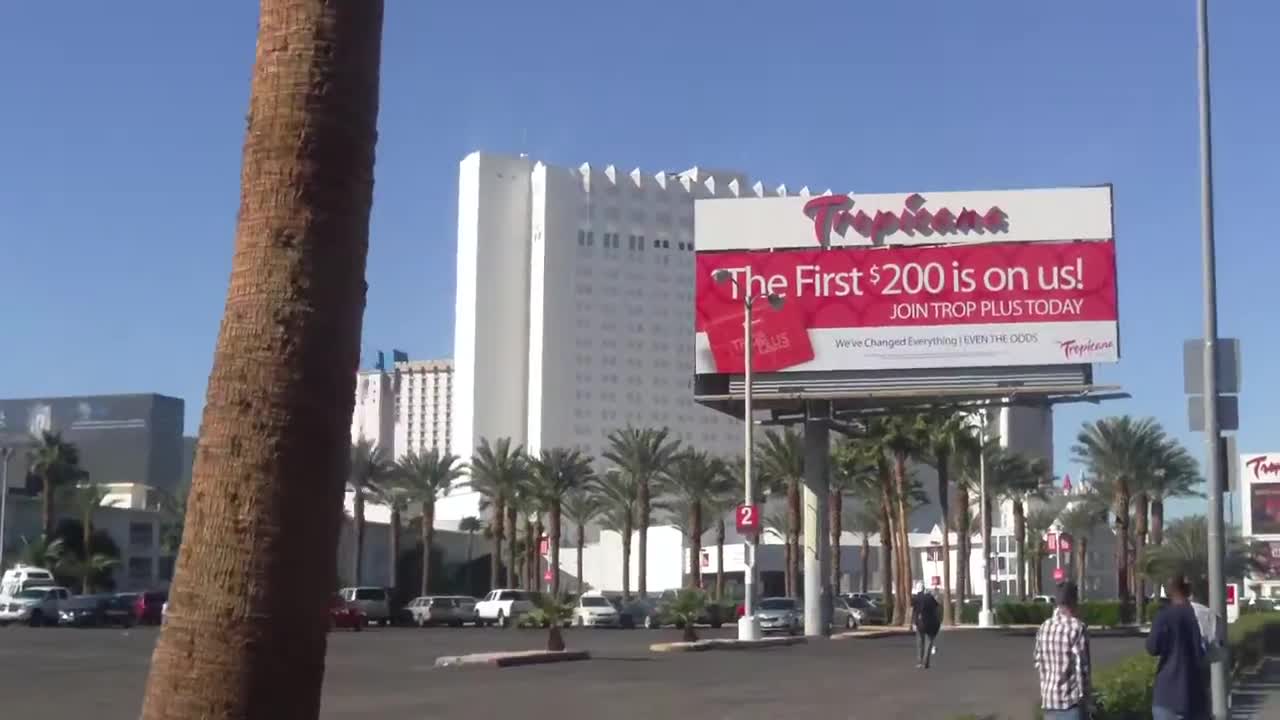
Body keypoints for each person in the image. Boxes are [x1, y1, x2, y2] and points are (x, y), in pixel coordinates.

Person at [1146, 577, 1208, 720]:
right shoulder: (1201, 614)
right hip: (1195, 694)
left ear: (1169, 591)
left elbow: (1152, 648)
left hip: (1167, 695)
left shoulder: (1164, 616)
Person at [1034, 581, 1092, 719]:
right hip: (1070, 705)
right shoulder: (1077, 628)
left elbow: (1038, 662)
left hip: (1049, 703)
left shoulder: (1044, 627)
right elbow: (1082, 669)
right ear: (1073, 601)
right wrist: (1088, 701)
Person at [910, 584, 941, 669]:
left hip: (920, 623)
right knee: (929, 642)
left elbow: (913, 611)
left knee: (920, 642)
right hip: (931, 623)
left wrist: (913, 623)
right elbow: (937, 609)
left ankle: (919, 662)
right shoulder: (930, 598)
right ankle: (925, 662)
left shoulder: (916, 598)